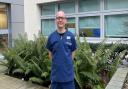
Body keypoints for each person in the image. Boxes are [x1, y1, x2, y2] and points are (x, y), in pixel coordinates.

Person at [46, 11, 77, 89]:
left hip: (68, 78)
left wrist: (66, 63)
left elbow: (73, 52)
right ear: (55, 20)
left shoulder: (71, 36)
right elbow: (50, 55)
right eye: (58, 18)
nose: (60, 20)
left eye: (62, 18)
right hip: (55, 78)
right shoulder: (51, 37)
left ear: (65, 20)